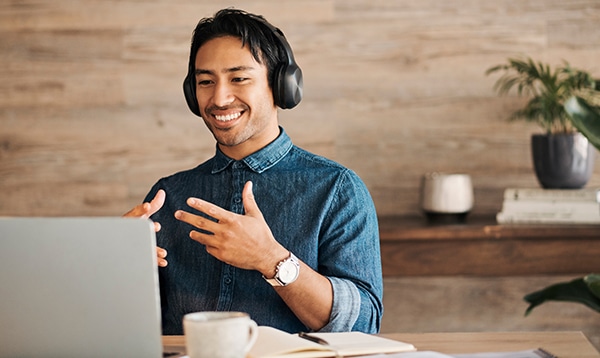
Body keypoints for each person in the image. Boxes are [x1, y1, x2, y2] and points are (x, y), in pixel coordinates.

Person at [124, 8, 383, 335]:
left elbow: (363, 325)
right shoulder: (168, 195)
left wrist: (271, 259)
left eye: (239, 78)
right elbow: (131, 329)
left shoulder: (336, 189)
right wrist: (115, 268)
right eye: (206, 81)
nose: (219, 98)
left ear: (282, 85)